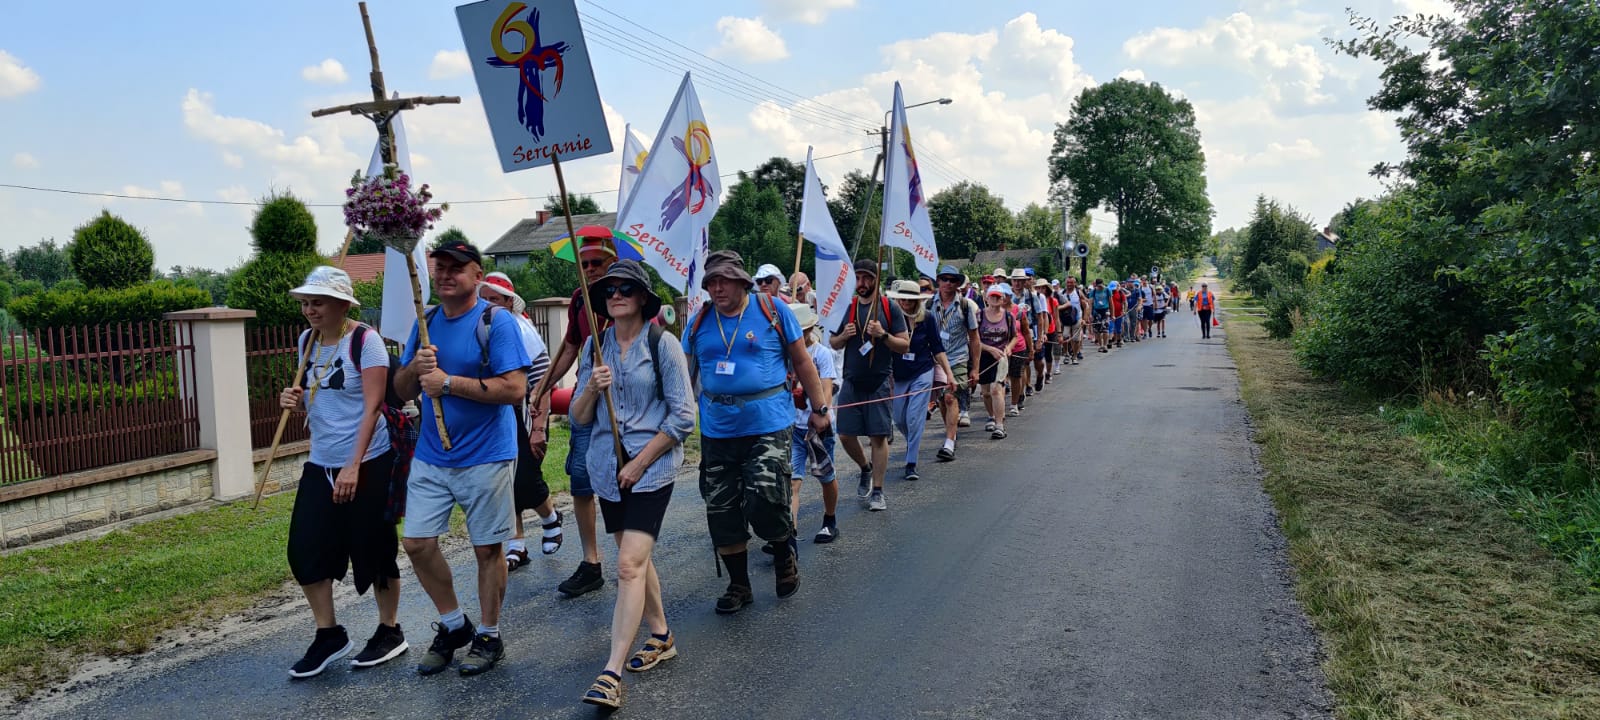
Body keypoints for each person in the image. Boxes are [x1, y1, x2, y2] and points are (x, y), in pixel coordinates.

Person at [396, 240, 530, 676]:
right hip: (432, 454)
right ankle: (455, 625)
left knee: (487, 549)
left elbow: (515, 389)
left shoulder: (496, 321)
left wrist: (449, 383)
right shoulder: (427, 321)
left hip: (487, 455)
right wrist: (415, 369)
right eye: (439, 267)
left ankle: (489, 635)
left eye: (456, 267)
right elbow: (401, 391)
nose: (445, 274)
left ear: (477, 275)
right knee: (416, 543)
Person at [571, 261, 696, 710]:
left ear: (643, 297)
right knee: (636, 562)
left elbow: (684, 417)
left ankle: (611, 673)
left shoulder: (664, 344)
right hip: (607, 469)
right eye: (609, 290)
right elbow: (578, 418)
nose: (616, 295)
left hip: (652, 468)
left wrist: (640, 463)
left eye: (626, 288)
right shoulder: (594, 346)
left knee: (627, 565)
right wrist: (591, 388)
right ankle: (661, 635)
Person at [684, 250, 833, 614]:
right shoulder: (700, 319)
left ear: (741, 282)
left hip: (768, 423)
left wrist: (820, 408)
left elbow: (802, 360)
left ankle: (783, 551)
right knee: (721, 508)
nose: (717, 288)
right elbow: (685, 372)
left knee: (766, 496)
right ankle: (739, 584)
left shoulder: (772, 309)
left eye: (724, 281)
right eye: (711, 282)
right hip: (717, 429)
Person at [280, 266, 407, 678]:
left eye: (317, 302)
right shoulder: (307, 341)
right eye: (305, 303)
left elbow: (372, 407)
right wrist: (294, 400)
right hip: (321, 460)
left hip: (368, 459)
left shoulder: (366, 343)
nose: (309, 310)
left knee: (374, 548)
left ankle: (390, 630)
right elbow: (318, 397)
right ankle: (329, 634)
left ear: (341, 305)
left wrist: (354, 466)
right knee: (304, 548)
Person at [526, 237, 615, 599]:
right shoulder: (579, 298)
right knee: (581, 478)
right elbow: (569, 347)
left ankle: (633, 556)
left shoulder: (627, 293)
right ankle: (591, 562)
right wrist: (542, 387)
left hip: (624, 400)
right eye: (585, 263)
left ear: (612, 262)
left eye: (597, 262)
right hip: (586, 396)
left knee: (623, 478)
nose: (590, 269)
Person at [477, 273, 562, 571]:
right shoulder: (479, 330)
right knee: (503, 482)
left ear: (509, 302)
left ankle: (550, 517)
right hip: (495, 416)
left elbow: (543, 383)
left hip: (526, 413)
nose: (488, 305)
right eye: (484, 299)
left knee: (525, 478)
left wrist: (538, 428)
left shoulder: (523, 330)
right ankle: (517, 545)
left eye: (495, 299)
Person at [830, 259, 910, 512]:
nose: (862, 283)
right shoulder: (848, 307)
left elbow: (904, 345)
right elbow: (833, 343)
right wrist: (844, 336)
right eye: (858, 278)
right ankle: (865, 467)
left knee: (878, 436)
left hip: (879, 381)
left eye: (866, 278)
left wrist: (883, 335)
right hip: (852, 380)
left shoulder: (889, 307)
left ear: (876, 279)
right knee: (845, 434)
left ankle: (878, 490)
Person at [783, 303, 840, 543]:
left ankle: (830, 520)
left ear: (810, 330)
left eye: (803, 330)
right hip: (793, 427)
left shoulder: (821, 353)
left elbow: (826, 386)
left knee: (825, 476)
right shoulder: (784, 354)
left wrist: (822, 412)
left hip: (818, 428)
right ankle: (789, 533)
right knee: (792, 480)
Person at [886, 280, 952, 482]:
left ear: (917, 301)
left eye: (910, 299)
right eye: (903, 299)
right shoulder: (891, 319)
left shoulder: (928, 318)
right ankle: (912, 441)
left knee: (914, 417)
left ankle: (911, 463)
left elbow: (937, 348)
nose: (906, 302)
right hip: (899, 374)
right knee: (899, 419)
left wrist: (949, 374)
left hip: (923, 371)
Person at [930, 265, 980, 444]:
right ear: (938, 281)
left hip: (957, 358)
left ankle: (950, 442)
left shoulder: (966, 306)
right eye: (945, 279)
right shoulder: (928, 305)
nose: (948, 283)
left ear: (958, 284)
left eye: (953, 280)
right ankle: (950, 431)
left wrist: (975, 368)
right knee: (942, 400)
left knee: (951, 397)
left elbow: (974, 338)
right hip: (935, 359)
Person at [976, 284, 1016, 439]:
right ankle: (991, 416)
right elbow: (973, 339)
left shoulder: (1008, 317)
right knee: (986, 392)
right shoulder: (979, 315)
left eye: (998, 297)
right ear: (987, 298)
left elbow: (1014, 336)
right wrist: (989, 349)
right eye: (992, 296)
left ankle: (1000, 425)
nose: (995, 299)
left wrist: (1009, 348)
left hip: (1001, 358)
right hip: (983, 356)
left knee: (996, 389)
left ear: (1003, 299)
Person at [1089, 278, 1111, 353]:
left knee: (1105, 329)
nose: (1100, 287)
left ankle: (1105, 345)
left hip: (1105, 311)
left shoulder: (1107, 290)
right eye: (1098, 286)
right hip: (1096, 311)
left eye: (1101, 286)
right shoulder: (1093, 291)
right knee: (1097, 330)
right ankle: (1101, 345)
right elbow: (1090, 303)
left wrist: (1112, 314)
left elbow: (1111, 302)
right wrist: (1090, 314)